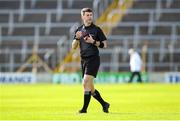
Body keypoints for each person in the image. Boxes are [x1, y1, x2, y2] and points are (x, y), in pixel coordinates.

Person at [72, 8, 110, 113]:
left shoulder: (96, 29)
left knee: (85, 82)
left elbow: (105, 45)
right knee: (90, 87)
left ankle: (84, 109)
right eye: (87, 15)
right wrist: (76, 38)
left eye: (91, 15)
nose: (90, 17)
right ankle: (104, 104)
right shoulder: (79, 30)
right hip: (83, 60)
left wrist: (93, 41)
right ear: (82, 16)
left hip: (93, 59)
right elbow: (73, 46)